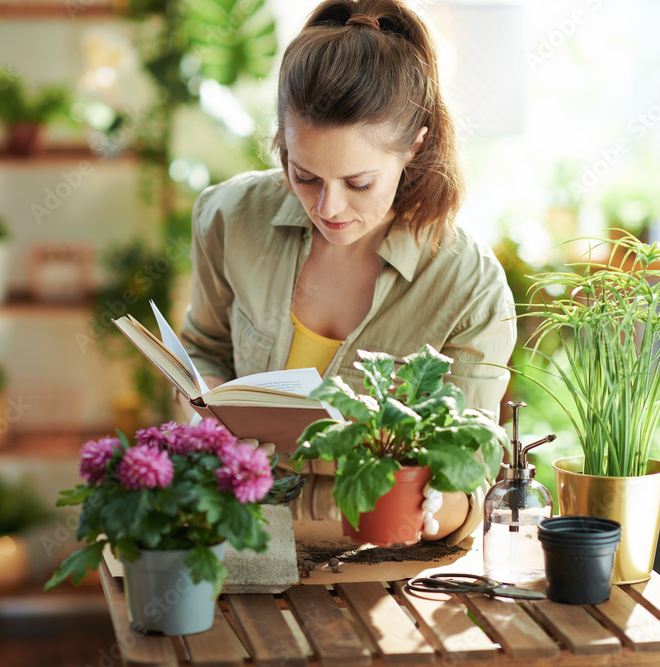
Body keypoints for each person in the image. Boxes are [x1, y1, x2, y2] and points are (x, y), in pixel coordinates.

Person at [179, 0, 516, 545]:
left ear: (416, 144)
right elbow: (204, 346)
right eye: (304, 175)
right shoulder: (229, 217)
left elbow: (470, 461)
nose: (329, 208)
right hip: (238, 537)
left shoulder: (468, 286)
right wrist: (209, 402)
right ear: (283, 142)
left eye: (358, 183)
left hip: (379, 559)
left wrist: (438, 504)